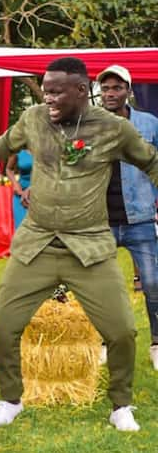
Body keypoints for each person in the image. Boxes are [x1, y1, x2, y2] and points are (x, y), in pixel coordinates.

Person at [0, 56, 158, 431]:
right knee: (3, 325)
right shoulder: (33, 118)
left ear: (82, 91)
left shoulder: (115, 128)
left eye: (56, 91)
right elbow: (4, 144)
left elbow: (150, 162)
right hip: (38, 244)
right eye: (45, 90)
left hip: (90, 248)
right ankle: (11, 399)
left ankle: (120, 405)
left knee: (122, 331)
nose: (47, 98)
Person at [97, 64, 158, 370]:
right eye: (106, 88)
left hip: (141, 218)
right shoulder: (89, 124)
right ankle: (107, 342)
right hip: (100, 220)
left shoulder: (149, 123)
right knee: (100, 287)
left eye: (117, 88)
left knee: (153, 283)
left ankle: (157, 344)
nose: (110, 93)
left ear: (129, 91)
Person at [6, 150, 33, 229]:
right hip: (20, 196)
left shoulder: (44, 146)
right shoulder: (18, 148)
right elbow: (8, 169)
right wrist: (15, 183)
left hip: (39, 193)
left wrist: (32, 188)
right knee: (20, 229)